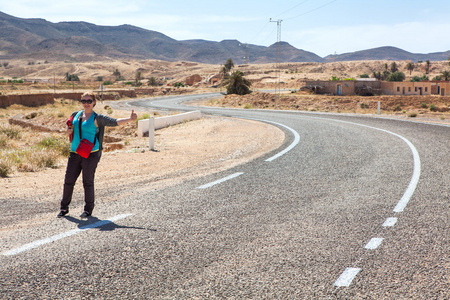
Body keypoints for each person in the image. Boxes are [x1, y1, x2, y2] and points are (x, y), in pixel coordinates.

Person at [57, 91, 137, 218]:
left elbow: (115, 122)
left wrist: (130, 119)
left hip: (91, 154)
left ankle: (88, 209)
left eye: (89, 101)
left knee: (87, 182)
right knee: (68, 181)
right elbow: (69, 129)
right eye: (84, 101)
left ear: (94, 102)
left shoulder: (97, 118)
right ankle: (64, 208)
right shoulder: (75, 115)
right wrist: (68, 131)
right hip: (75, 153)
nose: (86, 103)